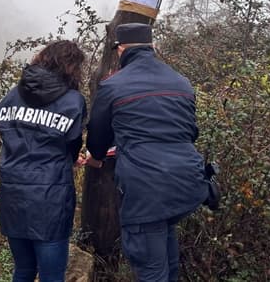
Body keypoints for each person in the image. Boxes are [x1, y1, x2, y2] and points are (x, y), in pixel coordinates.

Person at [85, 23, 208, 281]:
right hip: (189, 183)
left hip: (147, 190)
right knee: (166, 256)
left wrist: (96, 158)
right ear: (152, 47)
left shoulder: (113, 86)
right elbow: (191, 131)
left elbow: (97, 135)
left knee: (151, 270)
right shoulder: (181, 81)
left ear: (120, 50)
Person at [0, 40, 87, 282]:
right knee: (52, 275)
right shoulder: (72, 101)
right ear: (72, 67)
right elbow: (72, 143)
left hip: (12, 192)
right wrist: (70, 158)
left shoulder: (12, 95)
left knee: (23, 270)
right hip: (51, 197)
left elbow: (7, 134)